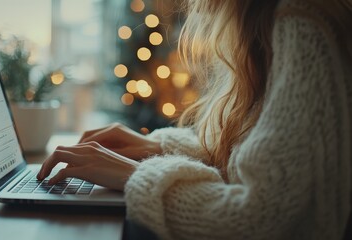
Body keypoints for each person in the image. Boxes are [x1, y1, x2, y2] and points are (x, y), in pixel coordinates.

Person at [37, 0, 352, 239]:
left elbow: (269, 219)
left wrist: (138, 176)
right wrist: (156, 146)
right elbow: (260, 155)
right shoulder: (267, 20)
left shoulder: (305, 20)